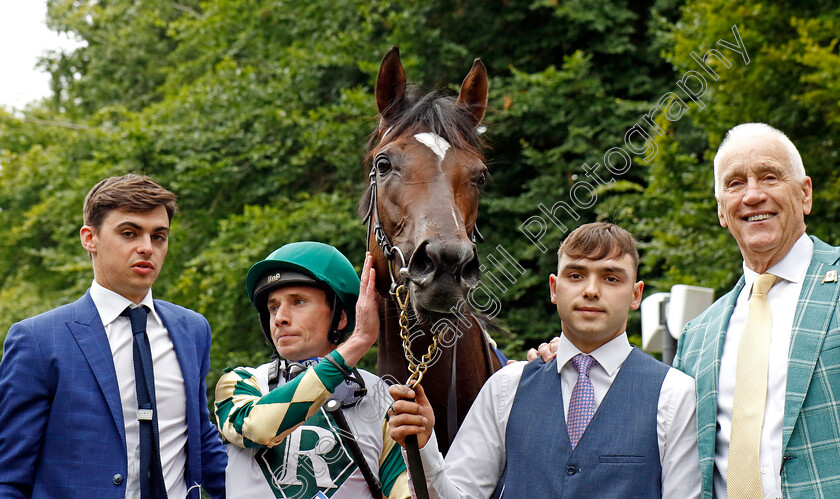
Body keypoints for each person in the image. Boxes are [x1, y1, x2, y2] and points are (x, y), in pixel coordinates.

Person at [387, 222, 701, 498]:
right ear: (554, 288)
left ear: (636, 295)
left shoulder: (673, 394)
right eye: (576, 275)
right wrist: (425, 447)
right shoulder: (506, 388)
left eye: (611, 278)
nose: (591, 291)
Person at [0, 174, 226, 498]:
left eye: (159, 236)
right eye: (129, 233)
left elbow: (201, 441)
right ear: (89, 238)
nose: (147, 247)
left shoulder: (192, 330)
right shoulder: (37, 340)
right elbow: (9, 477)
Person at [672, 122, 840, 498]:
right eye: (735, 183)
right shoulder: (696, 336)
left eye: (769, 177)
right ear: (721, 211)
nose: (752, 195)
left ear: (805, 194)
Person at [214, 241, 409, 498]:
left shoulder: (382, 397)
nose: (280, 317)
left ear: (339, 316)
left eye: (298, 302)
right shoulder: (240, 381)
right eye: (273, 306)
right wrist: (359, 342)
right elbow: (259, 428)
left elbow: (405, 493)